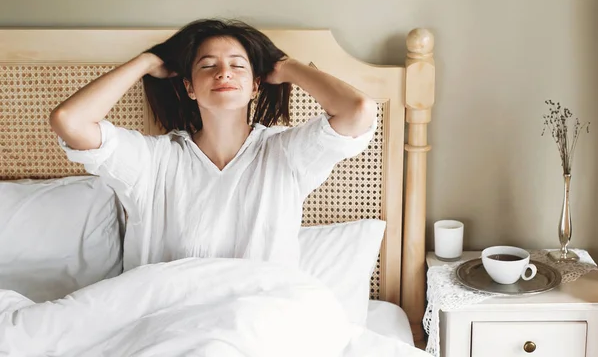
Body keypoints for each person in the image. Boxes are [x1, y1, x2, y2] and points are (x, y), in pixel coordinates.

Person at [49, 19, 377, 271]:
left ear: (255, 86)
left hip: (259, 315)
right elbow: (70, 120)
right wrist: (147, 62)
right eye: (208, 65)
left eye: (237, 65)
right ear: (189, 87)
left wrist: (284, 66)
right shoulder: (152, 161)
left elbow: (357, 110)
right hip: (168, 316)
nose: (223, 73)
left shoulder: (286, 153)